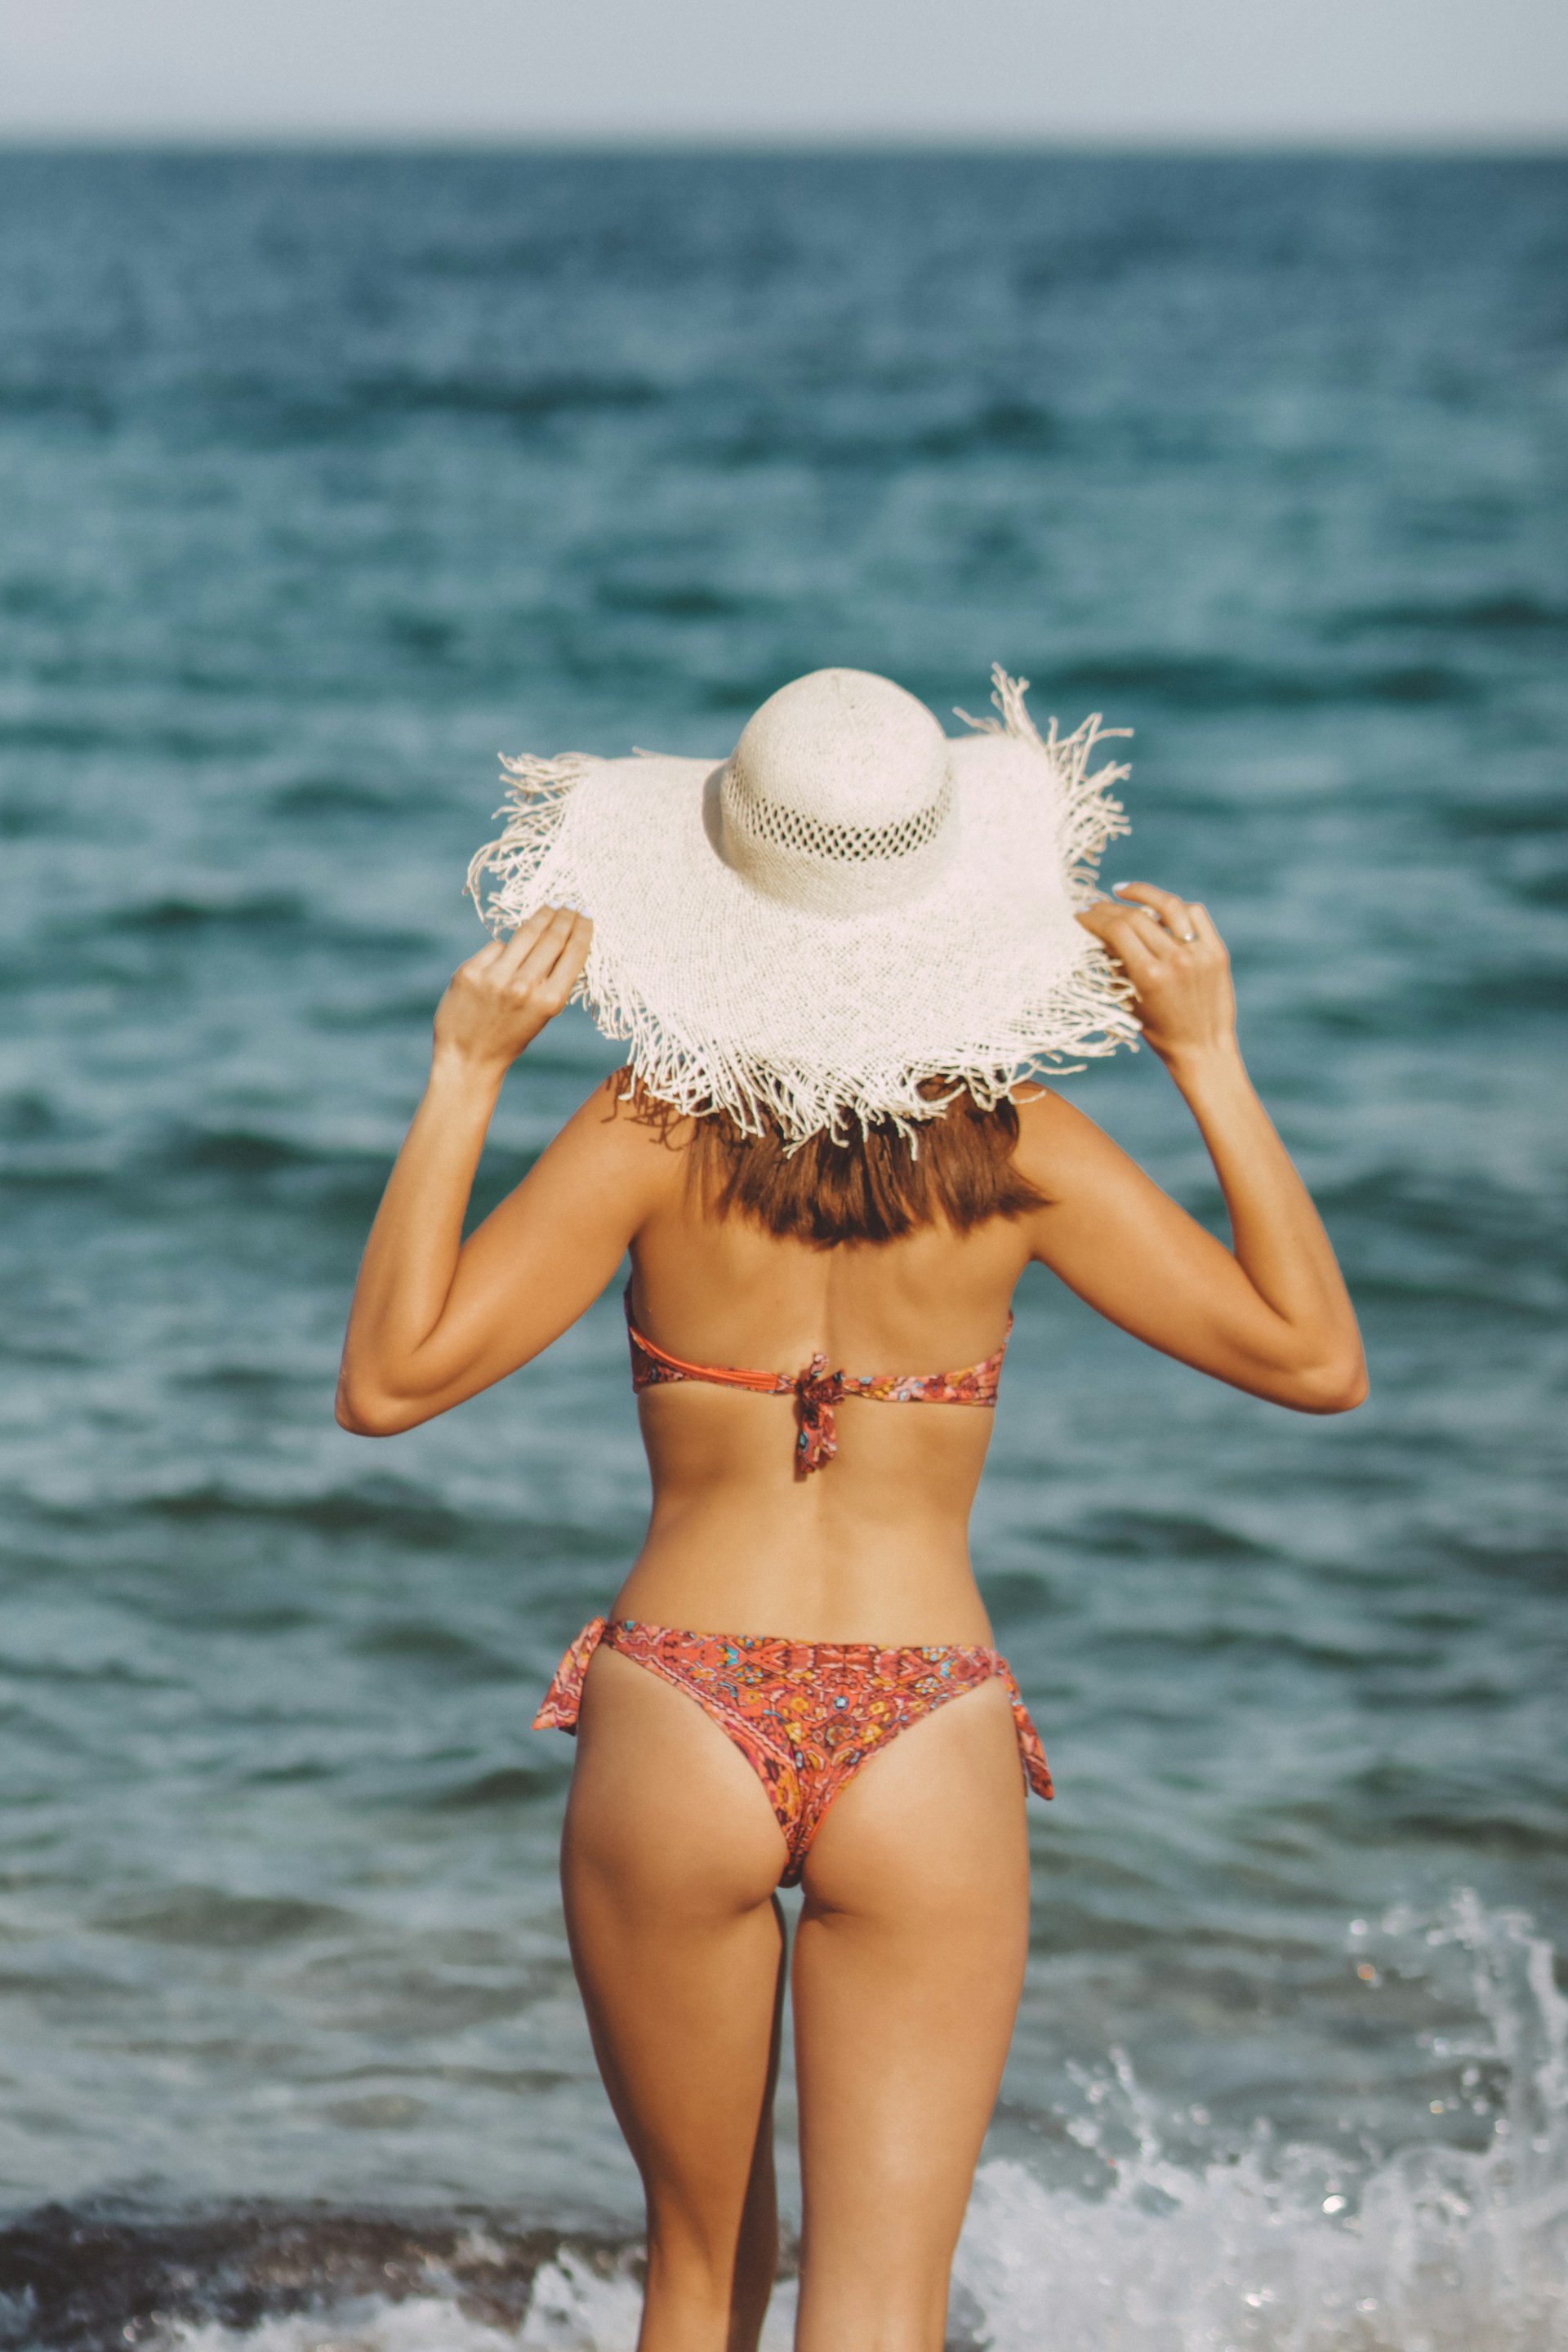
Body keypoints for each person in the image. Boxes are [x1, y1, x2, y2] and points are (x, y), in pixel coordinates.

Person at [336, 667, 1365, 2352]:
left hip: (684, 1702)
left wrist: (461, 1072)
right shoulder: (1019, 1146)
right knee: (882, 2309)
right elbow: (1315, 1358)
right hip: (922, 1721)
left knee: (697, 2283)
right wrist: (1208, 1058)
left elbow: (388, 1383)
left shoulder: (649, 1131)